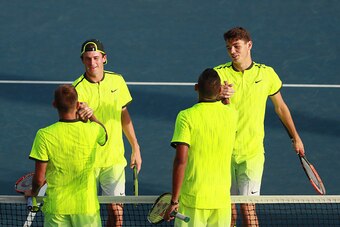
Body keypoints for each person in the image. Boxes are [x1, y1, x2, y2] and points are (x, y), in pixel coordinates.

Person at [214, 27, 305, 226]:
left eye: (236, 46)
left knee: (248, 209)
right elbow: (203, 100)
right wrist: (218, 95)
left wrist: (295, 137)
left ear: (249, 45)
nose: (232, 51)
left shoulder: (267, 74)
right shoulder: (218, 74)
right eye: (229, 47)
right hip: (222, 152)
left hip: (251, 153)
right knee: (227, 211)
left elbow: (281, 108)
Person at [73, 39, 142, 227]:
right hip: (87, 162)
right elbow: (71, 127)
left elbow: (123, 114)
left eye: (96, 58)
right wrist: (81, 117)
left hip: (114, 159)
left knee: (117, 213)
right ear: (82, 61)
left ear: (104, 58)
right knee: (87, 214)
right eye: (87, 59)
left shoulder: (117, 81)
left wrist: (135, 147)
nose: (92, 63)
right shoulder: (76, 89)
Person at [25, 84, 107, 227]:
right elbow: (104, 133)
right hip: (87, 209)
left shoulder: (44, 135)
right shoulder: (93, 131)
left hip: (57, 210)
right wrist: (90, 114)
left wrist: (33, 192)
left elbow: (39, 179)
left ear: (54, 104)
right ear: (78, 104)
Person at [164, 68, 238, 227]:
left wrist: (174, 200)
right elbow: (226, 111)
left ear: (196, 87)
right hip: (221, 200)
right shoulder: (232, 115)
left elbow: (181, 161)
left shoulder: (186, 116)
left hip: (193, 200)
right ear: (220, 90)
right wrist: (226, 102)